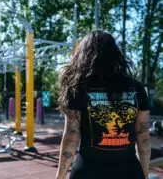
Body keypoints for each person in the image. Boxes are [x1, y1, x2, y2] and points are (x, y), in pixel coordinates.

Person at [56, 30, 150, 179]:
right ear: (115, 55)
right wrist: (144, 174)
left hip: (88, 171)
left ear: (83, 54)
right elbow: (143, 136)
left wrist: (59, 177)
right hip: (129, 171)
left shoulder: (77, 88)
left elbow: (71, 136)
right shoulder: (137, 88)